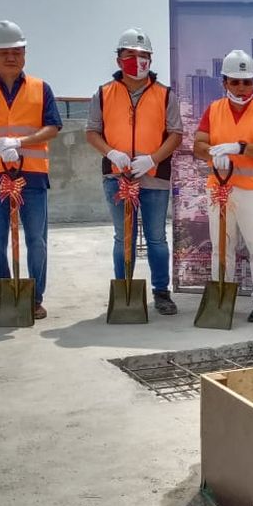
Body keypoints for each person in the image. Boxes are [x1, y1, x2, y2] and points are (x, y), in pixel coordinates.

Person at [0, 21, 62, 320]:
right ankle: (1, 296)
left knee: (36, 240)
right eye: (4, 52)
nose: (11, 57)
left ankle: (35, 297)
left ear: (25, 53)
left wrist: (20, 141)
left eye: (17, 51)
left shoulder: (40, 88)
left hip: (33, 175)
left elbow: (52, 126)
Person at [85, 28, 182, 315]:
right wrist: (111, 153)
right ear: (119, 60)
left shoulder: (165, 95)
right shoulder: (103, 94)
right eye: (131, 55)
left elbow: (175, 134)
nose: (137, 61)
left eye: (143, 56)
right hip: (117, 176)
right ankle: (124, 288)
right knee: (122, 237)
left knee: (156, 237)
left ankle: (161, 292)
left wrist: (152, 159)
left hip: (154, 176)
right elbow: (92, 132)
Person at [192, 49, 253, 322]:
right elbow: (198, 145)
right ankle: (222, 295)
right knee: (222, 246)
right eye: (235, 81)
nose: (241, 88)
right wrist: (212, 153)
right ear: (225, 82)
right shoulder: (213, 110)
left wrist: (240, 148)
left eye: (247, 82)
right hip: (219, 189)